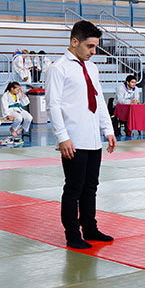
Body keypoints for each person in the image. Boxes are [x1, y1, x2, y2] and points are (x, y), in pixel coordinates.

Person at [45, 20, 117, 249]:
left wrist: (108, 129)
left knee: (91, 186)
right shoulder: (59, 69)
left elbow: (98, 100)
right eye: (90, 46)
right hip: (73, 138)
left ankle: (90, 228)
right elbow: (53, 105)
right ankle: (73, 235)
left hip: (93, 138)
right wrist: (62, 137)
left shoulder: (92, 68)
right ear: (74, 42)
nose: (93, 52)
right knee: (74, 188)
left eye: (96, 47)